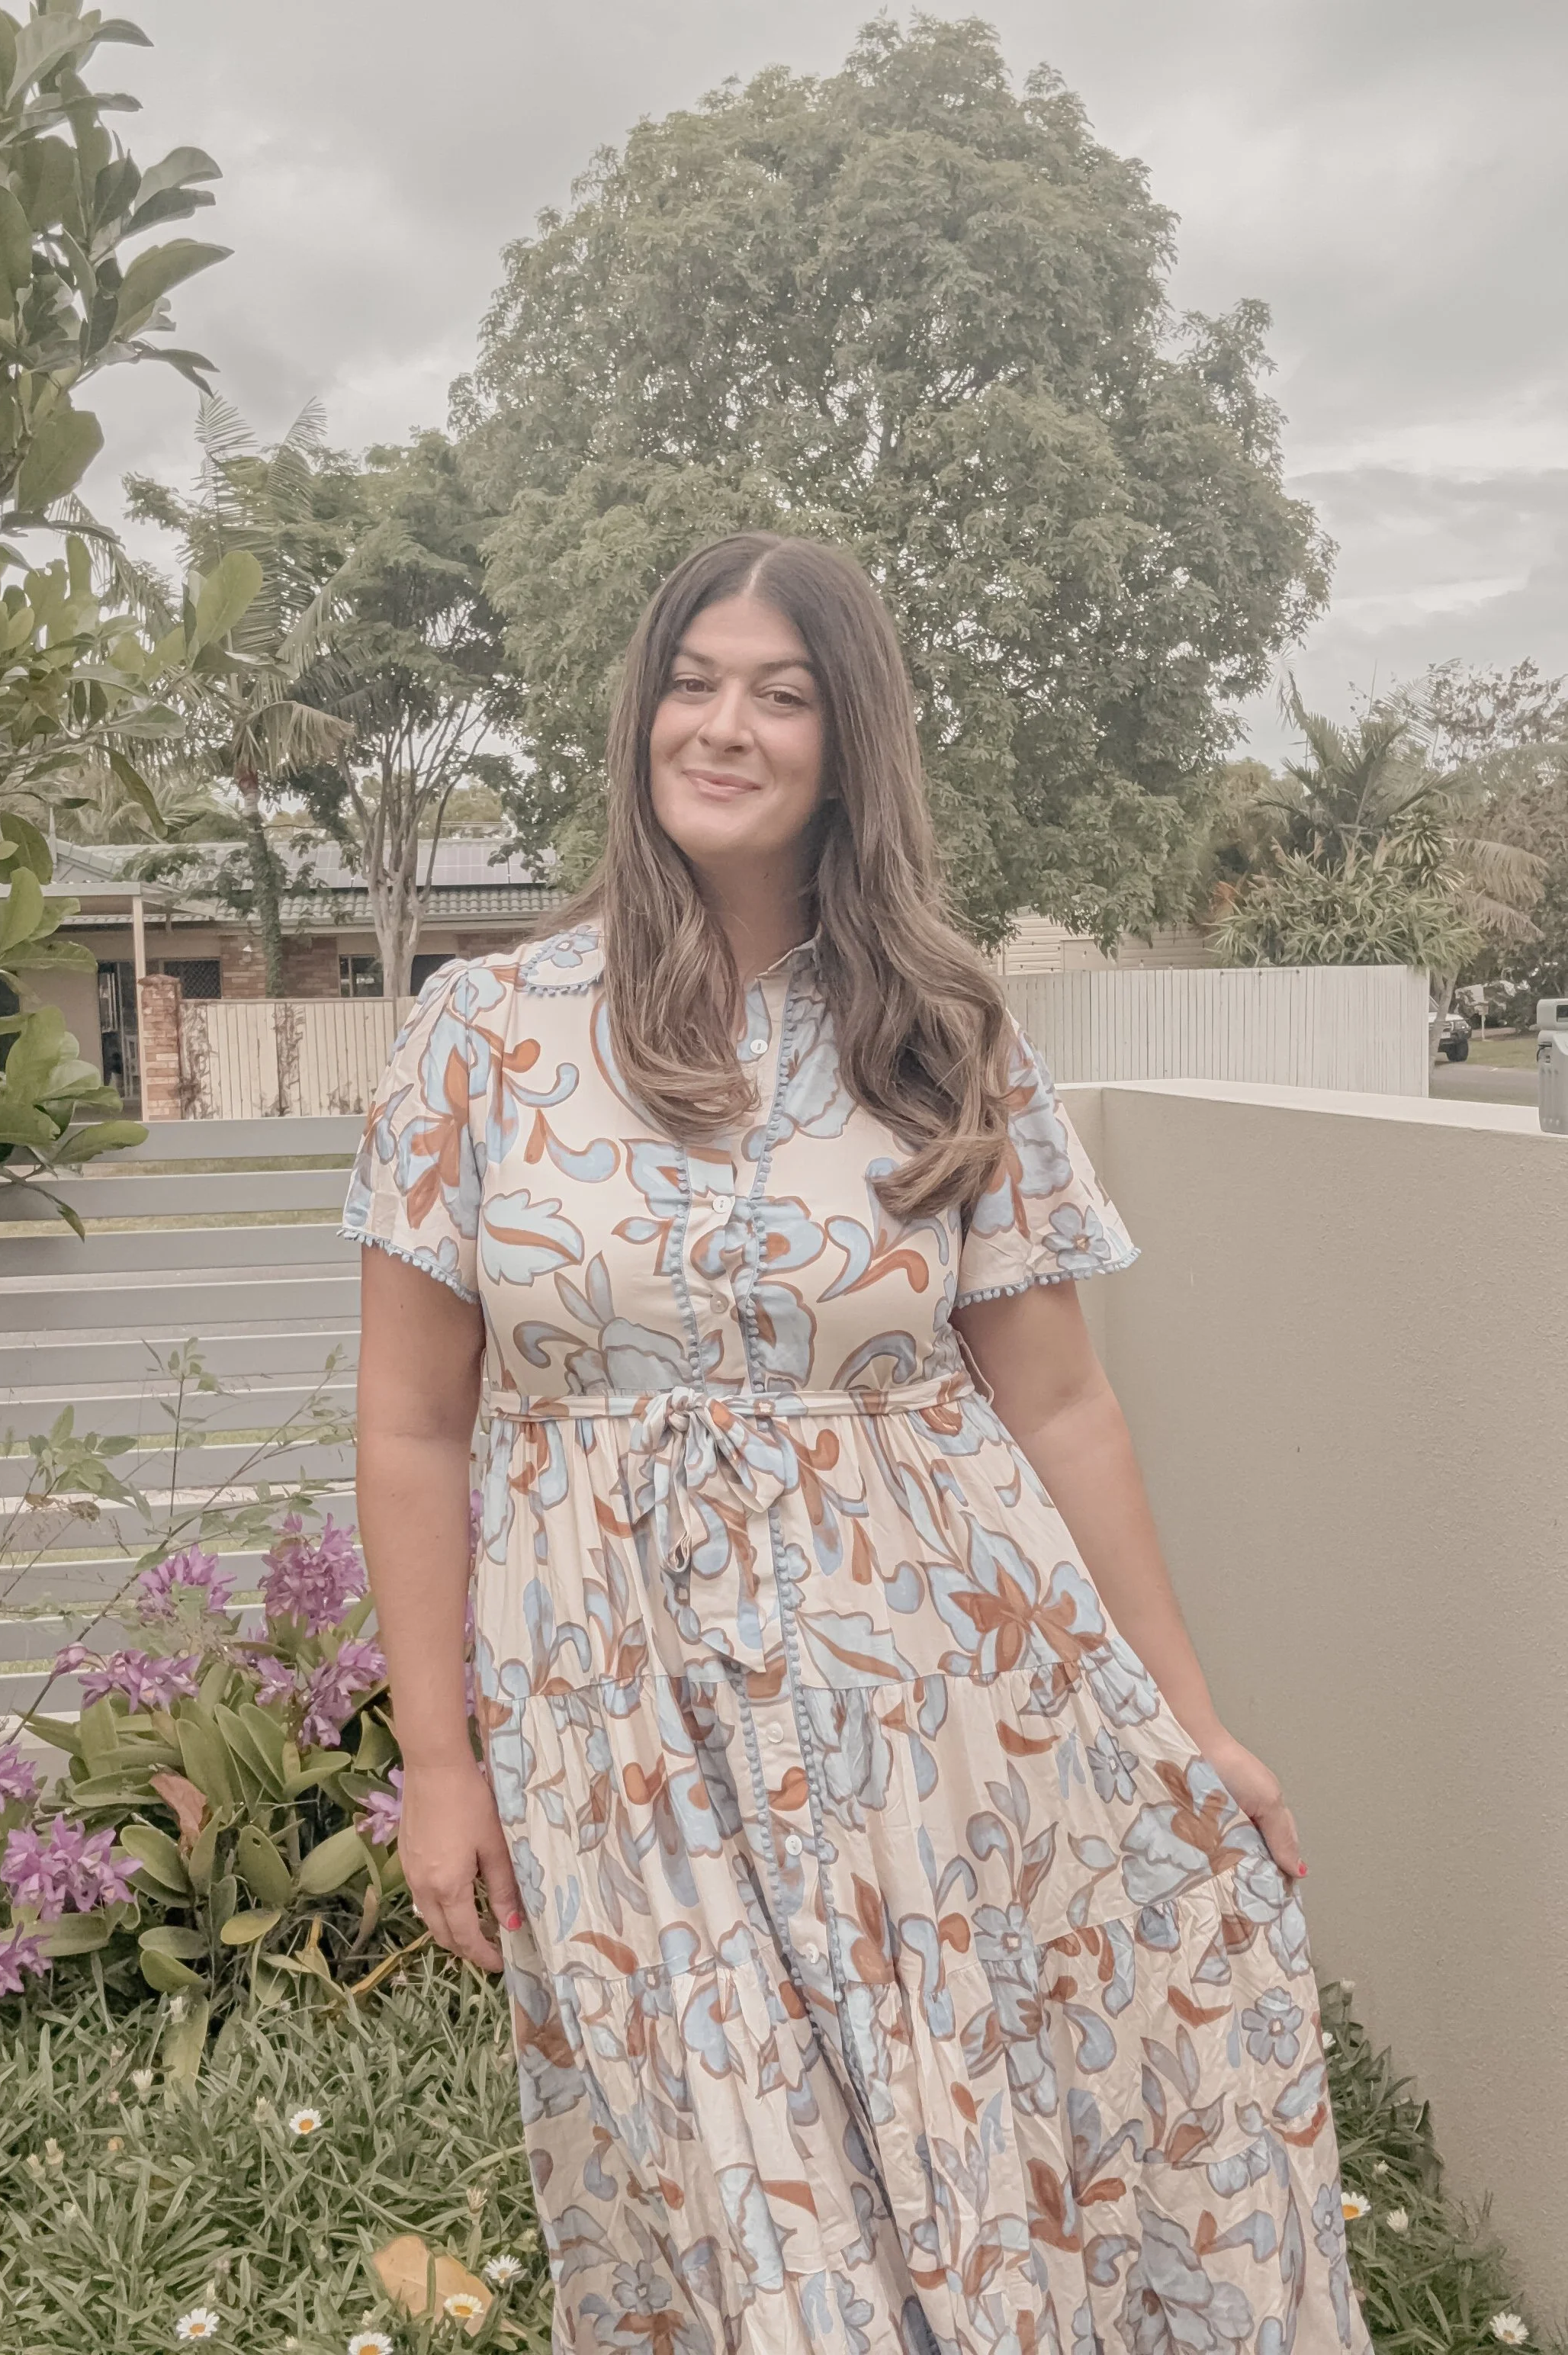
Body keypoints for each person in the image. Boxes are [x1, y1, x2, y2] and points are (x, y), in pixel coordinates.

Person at [348, 533, 1370, 2354]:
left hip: (935, 1709)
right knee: (749, 2213)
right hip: (621, 1722)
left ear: (847, 742)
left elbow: (1058, 1400)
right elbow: (414, 1422)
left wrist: (1189, 1714)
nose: (722, 725)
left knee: (965, 2150)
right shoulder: (482, 1036)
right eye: (692, 679)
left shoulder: (942, 1030)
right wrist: (441, 1756)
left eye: (780, 691)